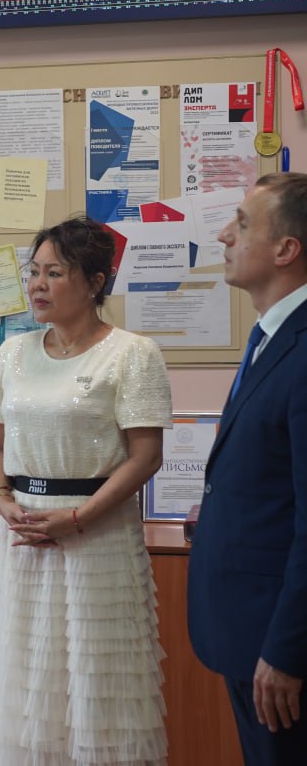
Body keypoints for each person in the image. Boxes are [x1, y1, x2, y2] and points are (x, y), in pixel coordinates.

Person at [0, 215, 172, 765]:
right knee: (24, 684)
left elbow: (146, 456)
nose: (37, 285)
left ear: (94, 282)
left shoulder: (132, 353)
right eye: (33, 271)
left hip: (97, 537)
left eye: (54, 273)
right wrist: (2, 500)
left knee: (97, 686)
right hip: (21, 536)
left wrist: (79, 518)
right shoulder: (12, 354)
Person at [188, 172, 307, 764]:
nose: (223, 235)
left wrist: (288, 650)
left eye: (240, 223)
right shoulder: (270, 336)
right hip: (248, 627)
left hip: (279, 647)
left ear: (286, 249)